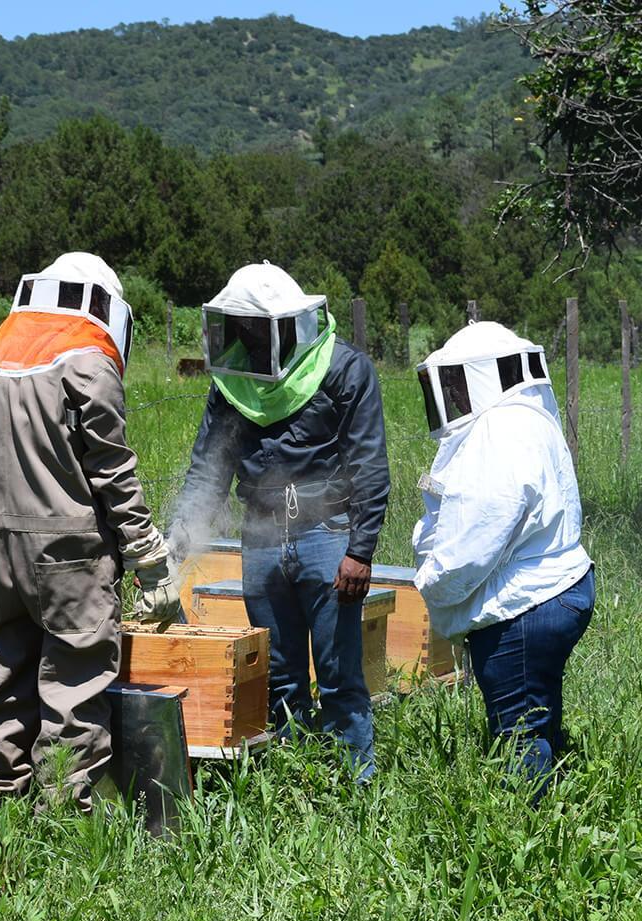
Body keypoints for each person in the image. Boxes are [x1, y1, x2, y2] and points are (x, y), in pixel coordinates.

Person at [0, 251, 180, 812]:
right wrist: (149, 558)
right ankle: (61, 826)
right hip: (71, 555)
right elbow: (112, 471)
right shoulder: (86, 363)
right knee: (73, 690)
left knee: (1, 683)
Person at [167, 262, 390, 782]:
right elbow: (210, 465)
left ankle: (356, 789)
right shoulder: (232, 380)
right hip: (262, 535)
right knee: (280, 675)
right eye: (238, 326)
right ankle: (291, 783)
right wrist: (178, 539)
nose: (245, 337)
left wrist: (362, 549)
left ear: (288, 324)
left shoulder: (343, 369)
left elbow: (369, 464)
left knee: (339, 676)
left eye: (254, 328)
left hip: (327, 534)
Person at [412, 320, 594, 802]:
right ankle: (556, 805)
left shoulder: (500, 429)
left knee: (518, 731)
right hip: (561, 587)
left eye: (456, 379)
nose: (450, 391)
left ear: (484, 375)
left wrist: (431, 580)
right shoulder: (528, 414)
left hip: (526, 604)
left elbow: (475, 539)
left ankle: (527, 836)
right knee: (538, 712)